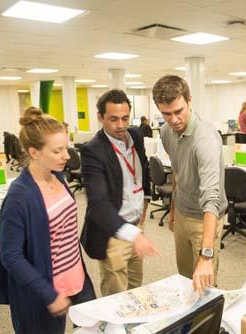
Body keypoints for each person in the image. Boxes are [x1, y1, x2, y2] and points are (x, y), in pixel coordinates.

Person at [0, 107, 95, 334]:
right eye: (58, 151)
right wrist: (49, 294)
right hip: (44, 289)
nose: (67, 156)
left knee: (94, 327)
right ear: (34, 152)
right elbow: (11, 256)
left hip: (77, 277)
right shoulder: (20, 195)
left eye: (66, 148)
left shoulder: (57, 176)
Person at [152, 75, 227, 295]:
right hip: (183, 213)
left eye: (179, 111)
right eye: (166, 114)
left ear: (189, 101)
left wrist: (206, 255)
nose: (173, 119)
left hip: (206, 219)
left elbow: (211, 197)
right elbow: (177, 171)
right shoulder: (166, 132)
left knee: (205, 287)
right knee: (185, 282)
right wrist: (174, 209)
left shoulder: (206, 139)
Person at [80, 89, 159, 297]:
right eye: (113, 119)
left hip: (137, 224)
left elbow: (142, 169)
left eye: (125, 118)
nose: (120, 125)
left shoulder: (135, 135)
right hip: (113, 233)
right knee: (116, 296)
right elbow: (98, 203)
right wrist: (132, 234)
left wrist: (146, 203)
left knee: (135, 286)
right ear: (100, 117)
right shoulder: (92, 150)